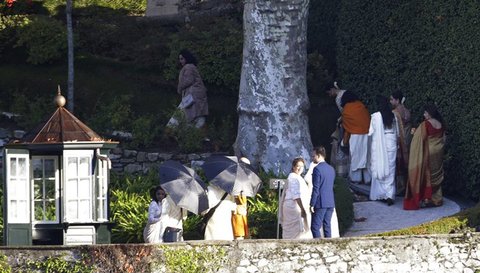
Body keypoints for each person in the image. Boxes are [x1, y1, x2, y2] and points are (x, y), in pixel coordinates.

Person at [403, 104, 445, 210]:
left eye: (425, 113)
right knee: (437, 173)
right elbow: (443, 138)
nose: (424, 114)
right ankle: (436, 198)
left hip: (428, 152)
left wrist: (414, 132)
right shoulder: (441, 123)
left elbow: (419, 137)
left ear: (430, 113)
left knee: (427, 174)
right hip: (439, 152)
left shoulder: (426, 124)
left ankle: (427, 198)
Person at [368, 95, 399, 205]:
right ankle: (389, 194)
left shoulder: (376, 116)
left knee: (380, 165)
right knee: (391, 169)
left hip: (380, 144)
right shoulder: (393, 116)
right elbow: (397, 132)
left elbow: (370, 132)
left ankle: (381, 194)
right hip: (391, 142)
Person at [304, 147, 340, 238]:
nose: (312, 158)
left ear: (319, 156)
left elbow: (316, 188)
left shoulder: (317, 169)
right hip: (330, 202)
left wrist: (312, 204)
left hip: (320, 202)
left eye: (313, 156)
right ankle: (329, 246)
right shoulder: (331, 169)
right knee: (327, 226)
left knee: (315, 227)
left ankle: (319, 247)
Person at [169, 49, 208, 129]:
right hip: (196, 94)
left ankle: (172, 131)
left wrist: (179, 88)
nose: (180, 61)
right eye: (179, 59)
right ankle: (193, 134)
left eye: (182, 58)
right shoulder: (192, 66)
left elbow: (189, 80)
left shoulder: (188, 67)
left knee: (187, 114)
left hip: (193, 95)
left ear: (187, 58)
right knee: (196, 115)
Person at [341, 90, 371, 184]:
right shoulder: (361, 105)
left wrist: (344, 141)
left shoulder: (346, 109)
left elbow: (347, 127)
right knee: (366, 157)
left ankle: (356, 178)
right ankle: (368, 179)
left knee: (356, 157)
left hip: (355, 135)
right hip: (367, 134)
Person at [280, 157, 312, 239]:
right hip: (293, 207)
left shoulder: (297, 177)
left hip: (294, 207)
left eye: (302, 166)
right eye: (298, 166)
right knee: (294, 232)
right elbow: (296, 195)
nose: (300, 168)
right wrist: (302, 209)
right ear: (293, 167)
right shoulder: (293, 178)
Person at [326, 81, 350, 178]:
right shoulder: (344, 92)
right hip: (348, 122)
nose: (329, 95)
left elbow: (345, 112)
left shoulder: (338, 98)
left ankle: (341, 172)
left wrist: (340, 120)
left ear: (332, 89)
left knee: (341, 146)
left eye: (329, 93)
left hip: (346, 124)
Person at [390, 91, 412, 195]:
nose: (390, 101)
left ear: (397, 100)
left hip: (399, 141)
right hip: (408, 140)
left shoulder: (394, 112)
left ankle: (400, 187)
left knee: (399, 163)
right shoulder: (407, 111)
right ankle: (409, 186)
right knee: (407, 162)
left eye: (392, 99)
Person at [231, 157, 251, 240]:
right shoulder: (236, 178)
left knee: (242, 236)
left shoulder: (243, 178)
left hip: (242, 211)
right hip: (237, 211)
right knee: (238, 236)